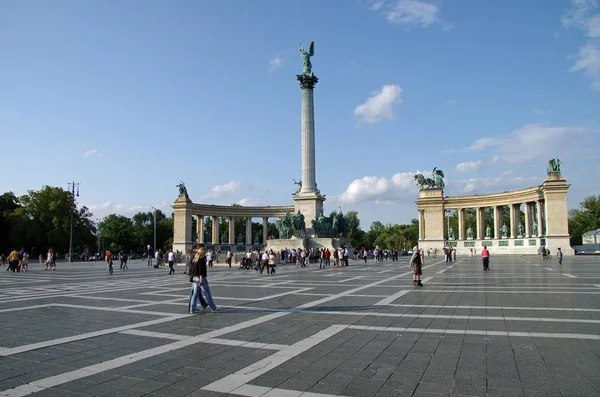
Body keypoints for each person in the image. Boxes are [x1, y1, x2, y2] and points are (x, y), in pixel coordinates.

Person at [188, 245, 209, 313]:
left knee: (196, 293)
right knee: (195, 293)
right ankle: (191, 308)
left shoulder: (195, 255)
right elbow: (198, 268)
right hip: (196, 276)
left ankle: (194, 307)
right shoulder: (197, 256)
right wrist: (199, 277)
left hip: (194, 276)